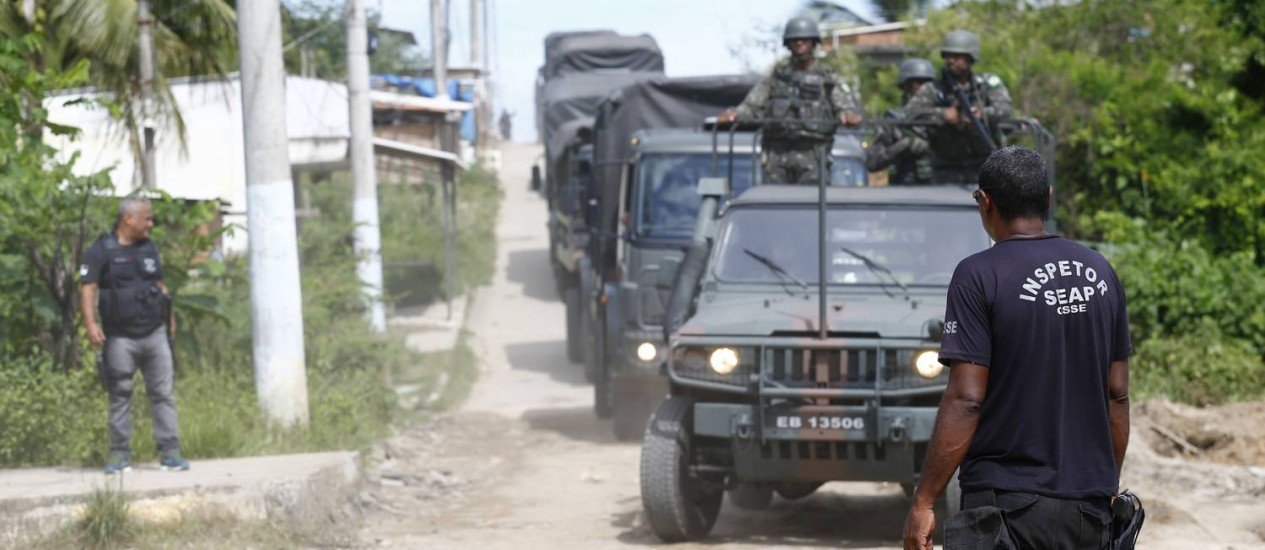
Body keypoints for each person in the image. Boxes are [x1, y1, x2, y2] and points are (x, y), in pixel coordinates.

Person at [902, 147, 1131, 549]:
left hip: (1004, 509)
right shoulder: (1100, 270)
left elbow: (966, 398)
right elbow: (1118, 393)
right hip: (1089, 510)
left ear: (985, 203)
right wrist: (1105, 483)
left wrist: (924, 501)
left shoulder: (978, 275)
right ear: (1048, 197)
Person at [80, 196, 189, 474]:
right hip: (120, 338)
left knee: (163, 394)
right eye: (147, 218)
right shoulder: (101, 250)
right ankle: (119, 456)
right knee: (120, 395)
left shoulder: (149, 247)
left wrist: (169, 318)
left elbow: (160, 284)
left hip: (154, 334)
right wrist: (91, 324)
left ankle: (170, 453)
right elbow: (88, 287)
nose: (151, 224)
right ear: (128, 219)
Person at [717, 16, 863, 184]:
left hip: (813, 152)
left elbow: (844, 106)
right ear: (787, 44)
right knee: (775, 202)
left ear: (813, 42)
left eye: (804, 40)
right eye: (794, 40)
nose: (799, 43)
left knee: (812, 203)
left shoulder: (828, 77)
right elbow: (752, 105)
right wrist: (734, 114)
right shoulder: (776, 77)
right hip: (777, 153)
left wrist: (848, 115)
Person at [906, 30, 1013, 183]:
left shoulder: (987, 84)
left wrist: (981, 113)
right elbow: (910, 113)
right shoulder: (934, 88)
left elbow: (1005, 110)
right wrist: (944, 114)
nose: (951, 61)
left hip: (985, 164)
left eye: (957, 57)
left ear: (970, 58)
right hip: (946, 167)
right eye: (948, 56)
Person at [866, 58, 935, 184]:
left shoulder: (940, 116)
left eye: (927, 83)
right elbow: (872, 161)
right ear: (906, 85)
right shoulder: (894, 119)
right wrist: (904, 145)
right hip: (903, 188)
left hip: (940, 188)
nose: (925, 89)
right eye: (919, 83)